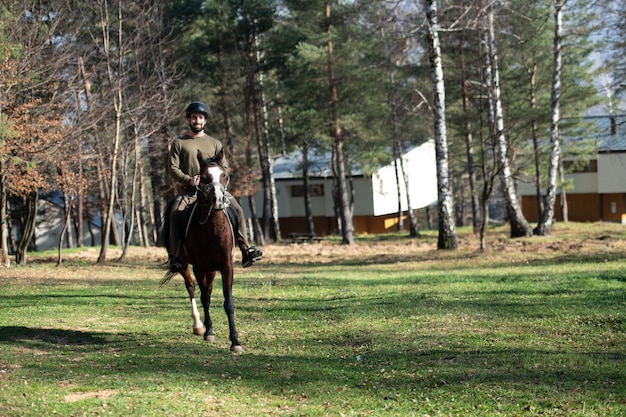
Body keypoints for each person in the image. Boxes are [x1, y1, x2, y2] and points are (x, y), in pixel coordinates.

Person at [168, 101, 263, 272]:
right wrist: (188, 180)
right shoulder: (179, 143)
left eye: (201, 118)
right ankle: (176, 258)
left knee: (238, 211)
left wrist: (219, 183)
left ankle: (245, 249)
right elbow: (172, 168)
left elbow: (224, 168)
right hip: (190, 192)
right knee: (175, 214)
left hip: (214, 191)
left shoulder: (215, 143)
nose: (197, 120)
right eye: (194, 117)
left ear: (205, 121)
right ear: (189, 120)